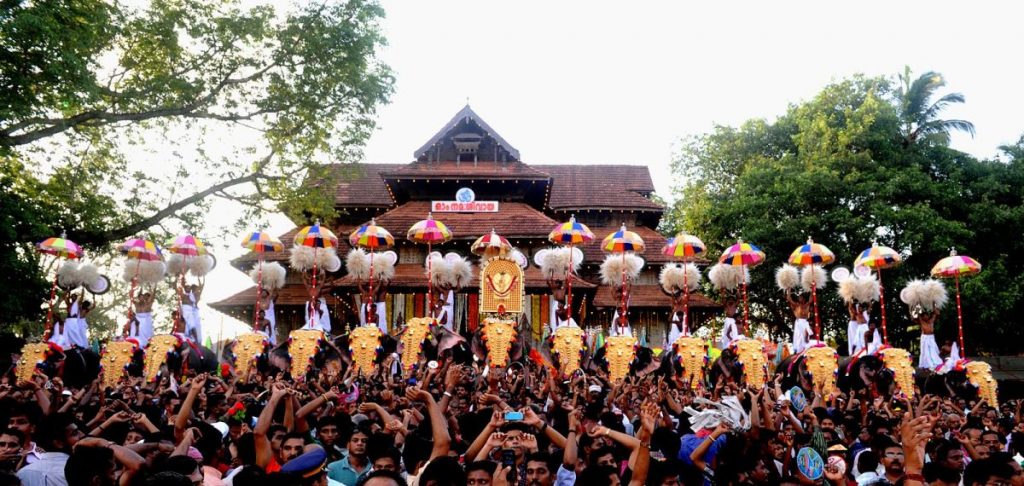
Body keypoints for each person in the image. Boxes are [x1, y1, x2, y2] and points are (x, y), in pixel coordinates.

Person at [784, 289, 814, 354]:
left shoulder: (807, 304)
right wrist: (789, 289)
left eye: (801, 297)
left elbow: (811, 300)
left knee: (806, 337)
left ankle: (805, 350)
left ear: (804, 299)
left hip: (805, 322)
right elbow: (789, 299)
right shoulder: (796, 305)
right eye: (799, 297)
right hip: (799, 322)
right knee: (799, 338)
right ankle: (799, 351)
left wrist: (812, 291)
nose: (800, 298)